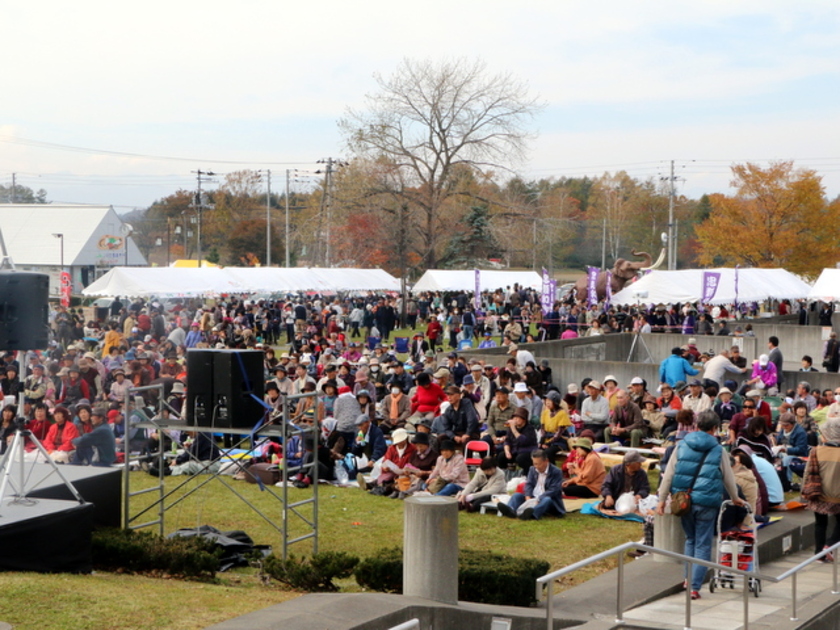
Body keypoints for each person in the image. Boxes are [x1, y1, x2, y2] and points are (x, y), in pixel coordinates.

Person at [657, 411, 744, 600]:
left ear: (696, 426)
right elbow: (728, 477)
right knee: (703, 544)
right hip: (707, 501)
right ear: (715, 429)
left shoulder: (681, 445)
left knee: (690, 539)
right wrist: (735, 497)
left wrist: (662, 500)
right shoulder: (718, 449)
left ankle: (688, 579)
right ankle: (695, 587)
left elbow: (669, 474)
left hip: (684, 500)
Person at [802, 419, 840, 561]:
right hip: (838, 495)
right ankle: (830, 545)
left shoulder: (816, 451)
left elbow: (807, 473)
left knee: (820, 523)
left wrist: (804, 492)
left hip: (819, 493)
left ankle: (819, 552)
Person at [497, 449, 565, 520]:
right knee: (516, 495)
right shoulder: (532, 469)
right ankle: (511, 510)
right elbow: (529, 484)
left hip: (547, 499)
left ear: (546, 461)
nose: (536, 466)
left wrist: (538, 499)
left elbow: (554, 490)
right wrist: (528, 496)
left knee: (546, 500)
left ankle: (532, 514)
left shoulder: (556, 471)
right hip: (533, 497)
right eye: (534, 463)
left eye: (538, 464)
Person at [497, 407, 538, 473]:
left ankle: (527, 474)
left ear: (524, 419)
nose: (515, 419)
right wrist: (507, 451)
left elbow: (523, 441)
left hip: (527, 451)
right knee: (501, 456)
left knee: (520, 458)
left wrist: (513, 429)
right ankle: (504, 475)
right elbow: (507, 441)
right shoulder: (512, 428)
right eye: (514, 417)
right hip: (515, 451)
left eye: (517, 418)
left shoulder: (529, 428)